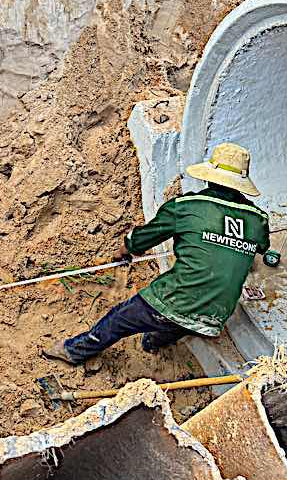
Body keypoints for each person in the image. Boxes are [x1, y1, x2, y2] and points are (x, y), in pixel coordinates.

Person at [43, 143, 270, 365]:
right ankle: (152, 342)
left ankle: (74, 351)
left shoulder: (187, 205)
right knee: (175, 325)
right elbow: (261, 247)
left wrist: (124, 250)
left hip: (178, 298)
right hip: (216, 315)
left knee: (119, 319)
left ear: (209, 175)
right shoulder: (258, 219)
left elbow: (144, 237)